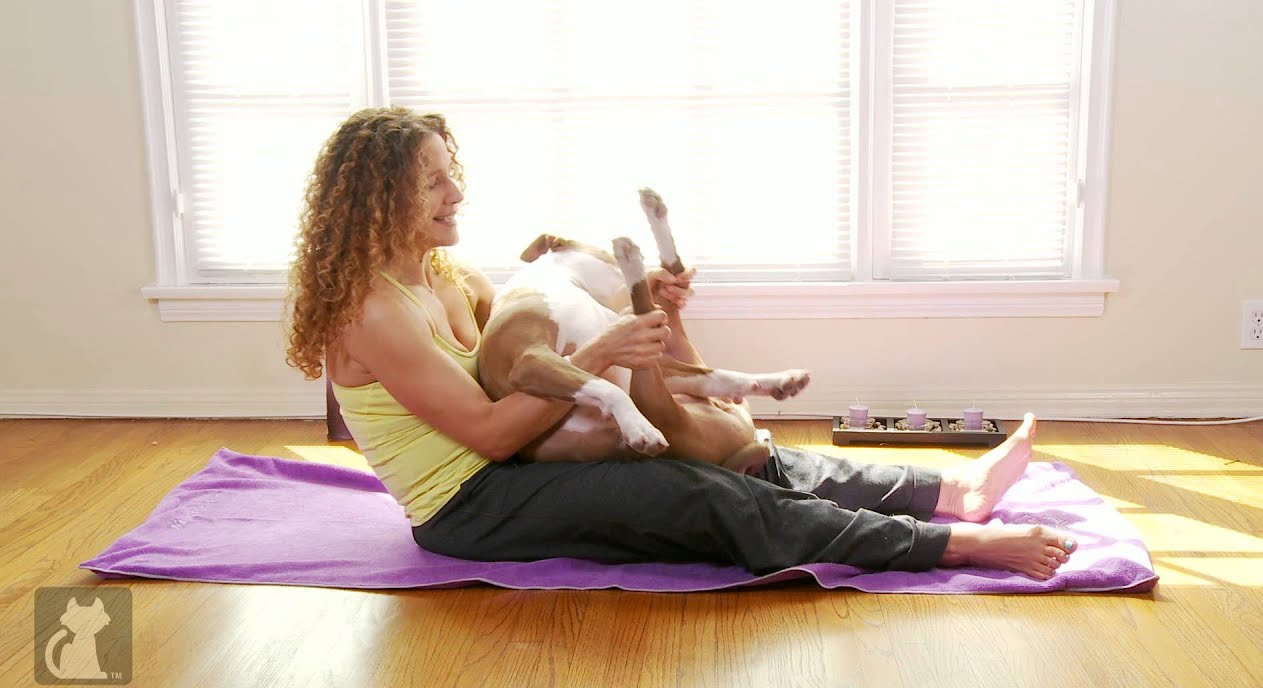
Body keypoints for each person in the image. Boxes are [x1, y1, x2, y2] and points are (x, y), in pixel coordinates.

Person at [285, 107, 1076, 580]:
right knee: (701, 497)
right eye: (432, 180)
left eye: (449, 169)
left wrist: (645, 307)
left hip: (517, 465)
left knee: (742, 456)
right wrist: (604, 356)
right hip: (469, 506)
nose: (456, 191)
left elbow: (524, 352)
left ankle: (946, 495)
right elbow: (491, 435)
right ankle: (956, 546)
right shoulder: (371, 311)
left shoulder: (448, 274)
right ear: (379, 195)